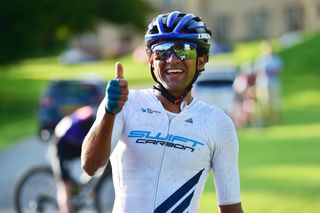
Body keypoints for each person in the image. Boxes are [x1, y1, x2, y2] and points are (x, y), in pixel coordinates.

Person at [81, 11, 244, 213]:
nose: (172, 59)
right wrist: (108, 112)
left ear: (201, 60)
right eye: (163, 50)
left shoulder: (218, 123)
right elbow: (91, 167)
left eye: (184, 50)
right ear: (150, 60)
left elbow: (231, 207)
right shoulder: (126, 104)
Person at [50, 106, 112, 213]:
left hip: (74, 142)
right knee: (65, 186)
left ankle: (87, 185)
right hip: (62, 144)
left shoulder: (96, 112)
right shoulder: (94, 118)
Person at [254, 41, 283, 126]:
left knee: (275, 102)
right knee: (263, 103)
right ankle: (264, 121)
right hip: (262, 84)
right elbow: (257, 71)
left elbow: (278, 70)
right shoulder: (260, 59)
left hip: (274, 83)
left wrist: (269, 71)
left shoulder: (276, 59)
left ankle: (275, 120)